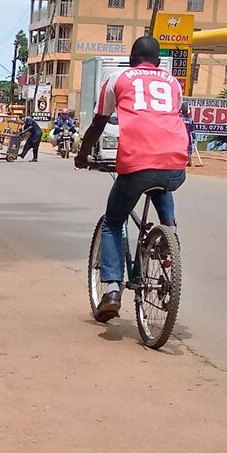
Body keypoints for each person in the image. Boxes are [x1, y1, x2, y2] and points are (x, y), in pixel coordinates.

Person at [75, 35, 189, 322]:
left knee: (114, 221)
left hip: (136, 161)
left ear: (131, 59)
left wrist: (82, 155)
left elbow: (99, 122)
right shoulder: (173, 83)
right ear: (158, 62)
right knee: (163, 180)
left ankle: (112, 288)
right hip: (175, 162)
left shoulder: (118, 78)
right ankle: (169, 233)